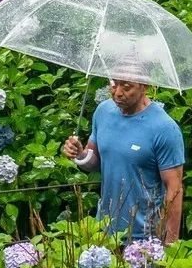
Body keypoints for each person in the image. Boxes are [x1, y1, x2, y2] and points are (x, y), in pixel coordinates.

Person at [62, 72, 185, 243]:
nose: (118, 92)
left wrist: (169, 244)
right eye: (113, 84)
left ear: (145, 86)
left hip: (144, 237)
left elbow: (174, 188)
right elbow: (94, 161)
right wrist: (80, 154)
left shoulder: (164, 128)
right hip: (104, 230)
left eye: (126, 87)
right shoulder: (103, 112)